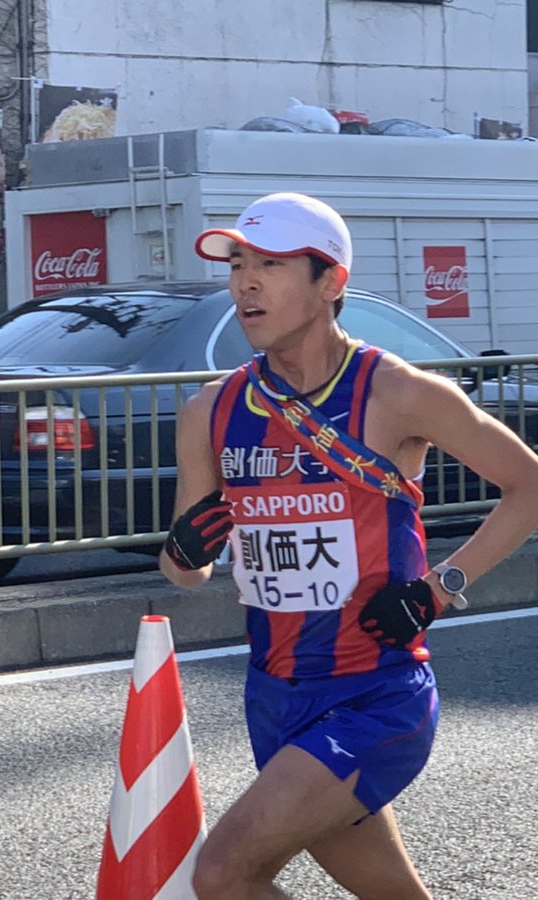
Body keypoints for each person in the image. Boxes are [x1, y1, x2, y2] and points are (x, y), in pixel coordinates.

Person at [159, 191, 538, 899]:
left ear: (330, 281)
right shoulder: (210, 409)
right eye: (237, 263)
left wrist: (439, 588)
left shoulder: (396, 392)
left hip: (374, 697)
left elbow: (529, 485)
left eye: (269, 263)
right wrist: (184, 550)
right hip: (273, 694)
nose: (244, 281)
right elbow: (185, 573)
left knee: (224, 874)